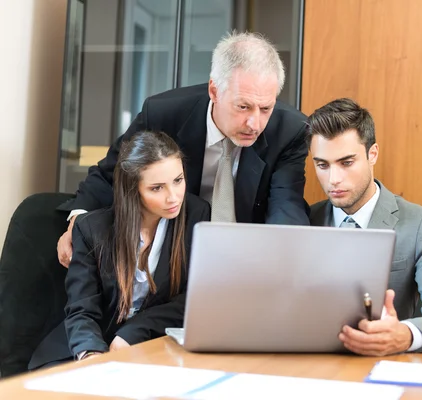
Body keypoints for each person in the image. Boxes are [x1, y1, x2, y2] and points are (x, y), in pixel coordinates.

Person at [56, 31, 309, 268]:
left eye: (266, 109)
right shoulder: (164, 114)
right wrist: (79, 220)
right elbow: (111, 174)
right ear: (214, 91)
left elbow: (286, 206)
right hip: (170, 259)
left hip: (245, 262)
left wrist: (285, 259)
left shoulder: (289, 130)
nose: (255, 124)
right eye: (243, 107)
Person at [28, 131, 210, 369]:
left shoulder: (196, 214)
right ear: (133, 189)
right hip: (86, 346)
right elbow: (82, 309)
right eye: (157, 188)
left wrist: (133, 332)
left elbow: (191, 298)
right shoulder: (92, 229)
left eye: (178, 180)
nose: (173, 197)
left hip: (153, 346)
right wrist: (93, 355)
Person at [307, 98, 422, 356]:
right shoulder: (304, 221)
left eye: (346, 163)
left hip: (385, 370)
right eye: (322, 165)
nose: (333, 179)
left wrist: (404, 335)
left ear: (373, 154)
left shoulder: (420, 224)